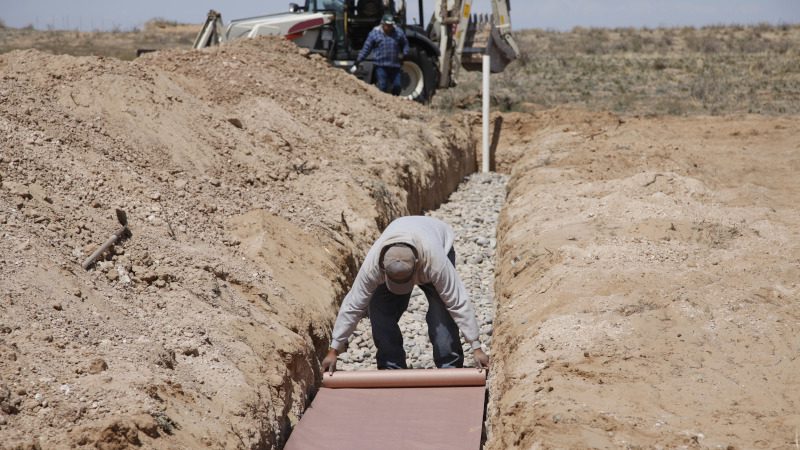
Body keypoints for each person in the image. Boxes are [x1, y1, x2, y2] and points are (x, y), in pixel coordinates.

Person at [321, 216, 490, 373]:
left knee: (441, 313)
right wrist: (334, 349)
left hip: (436, 239)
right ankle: (391, 367)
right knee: (379, 308)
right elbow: (353, 305)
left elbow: (457, 301)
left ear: (417, 266)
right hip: (407, 238)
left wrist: (476, 347)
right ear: (384, 270)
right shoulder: (373, 266)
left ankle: (449, 366)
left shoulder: (436, 262)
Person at [349, 14, 410, 96]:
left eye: (391, 25)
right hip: (381, 65)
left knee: (397, 86)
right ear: (382, 24)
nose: (389, 27)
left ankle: (395, 102)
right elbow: (366, 49)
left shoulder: (398, 32)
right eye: (387, 25)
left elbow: (405, 44)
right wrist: (358, 61)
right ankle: (383, 104)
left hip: (395, 65)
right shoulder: (374, 34)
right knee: (382, 86)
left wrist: (404, 54)